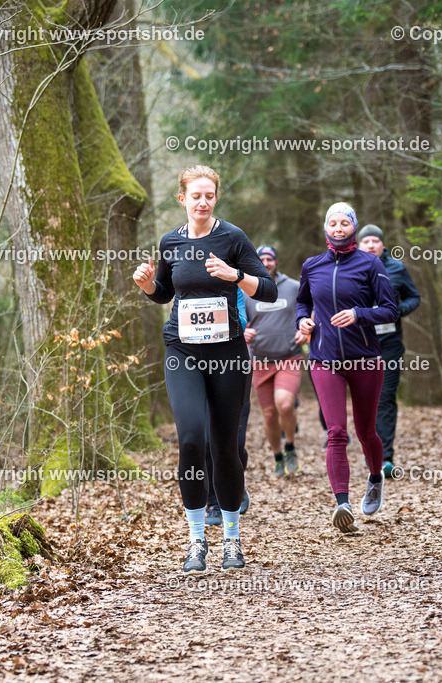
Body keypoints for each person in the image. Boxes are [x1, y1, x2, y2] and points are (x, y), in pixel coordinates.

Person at [133, 165, 277, 573]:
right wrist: (147, 285)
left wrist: (236, 276)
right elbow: (163, 293)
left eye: (209, 196)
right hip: (183, 350)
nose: (202, 202)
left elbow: (267, 289)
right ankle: (197, 540)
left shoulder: (232, 238)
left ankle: (232, 538)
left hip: (228, 352)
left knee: (224, 443)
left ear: (215, 198)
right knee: (192, 439)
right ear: (182, 199)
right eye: (195, 196)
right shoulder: (171, 242)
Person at [296, 202, 398, 533]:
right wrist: (303, 321)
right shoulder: (312, 266)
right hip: (325, 359)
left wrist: (359, 313)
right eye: (332, 222)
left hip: (365, 359)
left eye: (344, 222)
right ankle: (343, 504)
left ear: (353, 227)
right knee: (336, 432)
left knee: (366, 431)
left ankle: (374, 476)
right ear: (325, 228)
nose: (338, 227)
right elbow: (303, 301)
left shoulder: (371, 264)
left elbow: (390, 310)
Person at [357, 225, 420, 478]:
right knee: (364, 400)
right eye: (366, 241)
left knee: (385, 397)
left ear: (383, 245)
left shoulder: (396, 268)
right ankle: (370, 452)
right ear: (359, 245)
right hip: (359, 344)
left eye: (376, 240)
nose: (371, 245)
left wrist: (399, 310)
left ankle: (386, 459)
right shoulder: (352, 267)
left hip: (390, 344)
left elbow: (414, 297)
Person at [243, 245, 305, 477]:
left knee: (285, 404)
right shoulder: (247, 291)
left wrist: (306, 330)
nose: (266, 262)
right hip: (259, 361)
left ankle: (289, 445)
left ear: (276, 262)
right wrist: (243, 331)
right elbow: (238, 318)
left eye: (270, 259)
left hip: (289, 357)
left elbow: (309, 309)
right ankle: (278, 456)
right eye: (261, 259)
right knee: (269, 414)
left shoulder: (293, 287)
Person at [203, 287, 251, 526]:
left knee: (233, 442)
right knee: (205, 441)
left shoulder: (232, 287)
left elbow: (242, 320)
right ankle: (213, 503)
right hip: (197, 369)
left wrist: (219, 321)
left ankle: (236, 483)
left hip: (233, 367)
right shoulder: (185, 287)